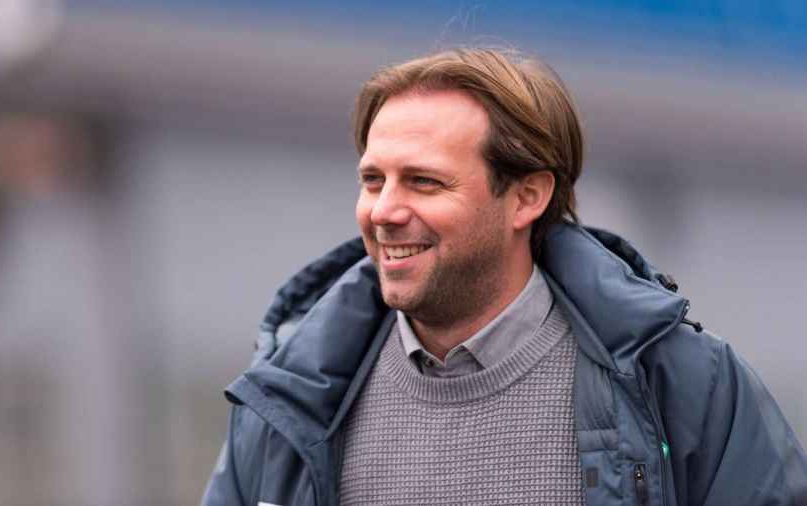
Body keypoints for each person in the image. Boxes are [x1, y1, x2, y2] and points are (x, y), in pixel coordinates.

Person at [202, 48, 807, 506]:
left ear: (527, 197)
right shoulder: (286, 401)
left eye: (423, 182)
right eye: (373, 180)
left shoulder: (680, 383)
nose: (383, 211)